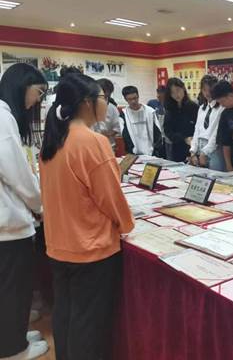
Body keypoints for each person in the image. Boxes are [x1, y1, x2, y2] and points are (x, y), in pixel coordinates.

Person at [39, 72, 134, 360]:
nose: (107, 103)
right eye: (103, 97)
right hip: (91, 249)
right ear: (87, 103)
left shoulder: (54, 138)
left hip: (58, 244)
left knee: (66, 313)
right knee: (89, 324)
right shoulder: (92, 141)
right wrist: (127, 224)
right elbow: (111, 199)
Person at [0, 63, 49, 359]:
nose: (38, 100)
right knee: (13, 289)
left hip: (8, 221)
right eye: (38, 92)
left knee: (9, 289)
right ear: (22, 86)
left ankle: (12, 335)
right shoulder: (3, 117)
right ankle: (13, 349)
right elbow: (16, 172)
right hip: (8, 225)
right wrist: (40, 204)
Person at [189, 75, 225, 171]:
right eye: (204, 90)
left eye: (210, 89)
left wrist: (204, 152)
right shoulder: (201, 108)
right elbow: (197, 130)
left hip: (214, 148)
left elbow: (217, 133)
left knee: (215, 177)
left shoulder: (222, 107)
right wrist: (193, 151)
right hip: (200, 146)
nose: (207, 93)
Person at [120, 85, 163, 156]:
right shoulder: (123, 114)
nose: (133, 101)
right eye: (130, 99)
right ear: (125, 99)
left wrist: (156, 150)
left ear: (138, 96)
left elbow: (157, 132)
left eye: (135, 98)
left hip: (151, 152)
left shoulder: (150, 111)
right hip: (133, 153)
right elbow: (125, 135)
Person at [163, 78, 198, 162]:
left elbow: (199, 127)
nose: (176, 95)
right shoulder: (169, 109)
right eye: (172, 93)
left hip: (194, 146)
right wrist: (183, 138)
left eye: (178, 90)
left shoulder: (193, 107)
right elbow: (167, 131)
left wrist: (192, 139)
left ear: (183, 88)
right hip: (177, 148)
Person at [91, 78, 121, 151]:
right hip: (91, 146)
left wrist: (108, 134)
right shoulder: (88, 106)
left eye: (107, 95)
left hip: (108, 146)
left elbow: (117, 128)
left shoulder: (112, 108)